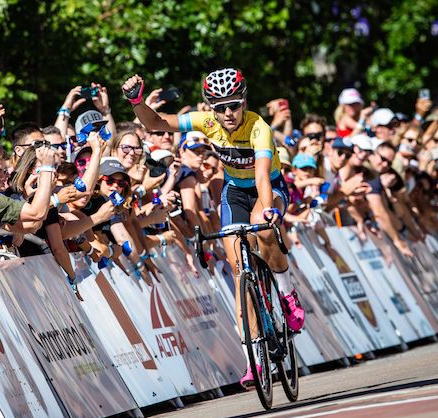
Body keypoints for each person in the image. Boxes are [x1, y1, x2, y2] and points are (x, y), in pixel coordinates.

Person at [124, 68, 304, 390]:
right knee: (239, 273)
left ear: (244, 101)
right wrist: (137, 101)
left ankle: (288, 294)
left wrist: (269, 214)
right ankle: (253, 363)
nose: (227, 113)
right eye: (220, 107)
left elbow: (263, 175)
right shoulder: (206, 122)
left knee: (264, 233)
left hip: (268, 187)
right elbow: (155, 125)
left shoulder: (258, 128)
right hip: (234, 191)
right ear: (210, 107)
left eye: (233, 105)